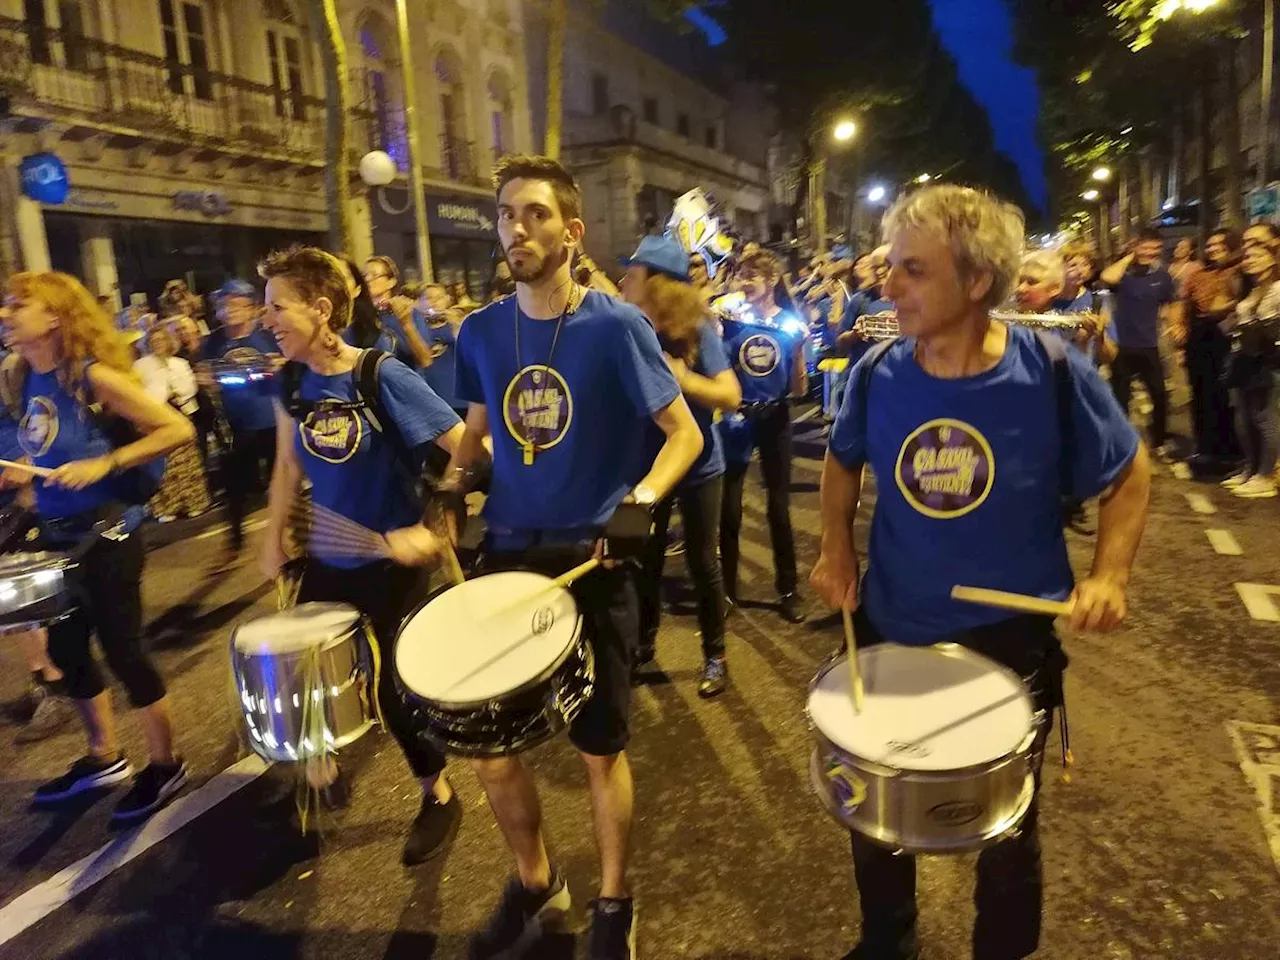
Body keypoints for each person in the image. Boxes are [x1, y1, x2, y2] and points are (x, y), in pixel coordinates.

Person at [810, 185, 1151, 960]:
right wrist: (836, 547)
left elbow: (1130, 476)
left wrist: (1110, 577)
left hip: (1008, 640)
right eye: (890, 267)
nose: (888, 286)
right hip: (893, 624)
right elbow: (840, 462)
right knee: (874, 811)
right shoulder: (878, 372)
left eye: (912, 272)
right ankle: (887, 942)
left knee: (1004, 828)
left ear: (975, 282)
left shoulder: (1053, 372)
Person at [441, 155, 703, 960]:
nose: (515, 229)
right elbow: (479, 437)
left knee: (598, 747)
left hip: (595, 556)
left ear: (572, 231)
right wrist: (451, 482)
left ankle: (615, 902)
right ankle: (535, 881)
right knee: (491, 747)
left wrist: (639, 505)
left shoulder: (615, 326)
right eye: (505, 215)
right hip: (510, 555)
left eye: (534, 215)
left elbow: (684, 436)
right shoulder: (481, 331)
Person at [257, 245, 468, 864]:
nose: (266, 318)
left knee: (400, 696)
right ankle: (322, 768)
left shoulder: (381, 375)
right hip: (326, 554)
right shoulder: (289, 381)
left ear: (321, 310)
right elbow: (287, 465)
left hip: (392, 561)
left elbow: (465, 448)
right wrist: (273, 535)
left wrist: (435, 525)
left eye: (278, 307)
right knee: (314, 676)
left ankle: (439, 793)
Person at [0, 271, 195, 822]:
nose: (6, 312)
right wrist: (22, 478)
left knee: (125, 651)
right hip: (54, 538)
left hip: (107, 534)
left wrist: (104, 463)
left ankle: (166, 762)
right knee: (65, 652)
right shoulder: (18, 379)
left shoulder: (92, 377)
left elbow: (175, 429)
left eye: (19, 303)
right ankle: (103, 756)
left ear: (56, 316)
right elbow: (31, 452)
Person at [620, 235, 741, 697]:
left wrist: (684, 378)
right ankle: (643, 645)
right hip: (646, 468)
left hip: (699, 465)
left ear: (657, 282)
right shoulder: (627, 328)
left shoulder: (696, 329)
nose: (623, 279)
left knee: (700, 563)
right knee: (644, 560)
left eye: (632, 272)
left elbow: (731, 396)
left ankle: (715, 656)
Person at [718, 248, 809, 624]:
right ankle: (725, 591)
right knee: (730, 510)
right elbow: (718, 368)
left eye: (751, 277)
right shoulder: (732, 320)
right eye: (740, 277)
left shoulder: (789, 325)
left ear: (771, 281)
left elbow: (799, 389)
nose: (744, 283)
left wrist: (801, 349)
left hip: (775, 418)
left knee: (778, 509)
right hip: (737, 419)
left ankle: (788, 589)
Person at [201, 280, 281, 569]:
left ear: (252, 309)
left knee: (280, 484)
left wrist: (280, 367)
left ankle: (286, 540)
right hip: (236, 425)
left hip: (273, 422)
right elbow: (205, 373)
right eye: (224, 304)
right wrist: (206, 380)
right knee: (234, 488)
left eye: (237, 304)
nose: (230, 309)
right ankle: (234, 544)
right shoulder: (213, 341)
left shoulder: (268, 335)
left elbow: (291, 362)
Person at [1099, 228, 1177, 458]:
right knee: (1120, 397)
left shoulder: (1162, 277)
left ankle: (1159, 440)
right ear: (1136, 246)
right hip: (1121, 344)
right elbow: (1106, 277)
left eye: (1155, 249)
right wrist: (1130, 257)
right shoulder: (1123, 273)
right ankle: (1120, 441)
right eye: (1146, 247)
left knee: (1160, 395)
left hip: (1150, 344)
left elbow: (1169, 305)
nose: (1150, 252)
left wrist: (1173, 330)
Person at [1221, 226, 1280, 498]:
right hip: (1244, 360)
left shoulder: (1277, 288)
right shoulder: (1253, 287)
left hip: (1267, 362)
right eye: (1248, 255)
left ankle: (1265, 476)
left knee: (1265, 418)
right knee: (1244, 418)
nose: (1251, 259)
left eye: (1258, 254)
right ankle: (1250, 468)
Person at [134, 325, 210, 521]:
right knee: (163, 465)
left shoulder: (179, 363)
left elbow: (190, 388)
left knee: (187, 462)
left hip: (180, 414)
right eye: (154, 341)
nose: (158, 344)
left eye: (161, 340)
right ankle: (167, 508)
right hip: (155, 419)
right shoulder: (141, 366)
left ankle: (193, 502)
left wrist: (176, 387)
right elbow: (137, 393)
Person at [1182, 230, 1243, 472]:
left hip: (1227, 336)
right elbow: (1186, 305)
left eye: (1219, 244)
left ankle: (1231, 451)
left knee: (1225, 395)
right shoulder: (1197, 274)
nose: (1213, 249)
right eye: (1209, 245)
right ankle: (1205, 447)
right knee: (1200, 393)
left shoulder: (1239, 271)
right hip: (1199, 336)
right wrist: (1179, 332)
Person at [362, 256, 433, 369]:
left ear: (391, 282)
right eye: (364, 276)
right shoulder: (362, 316)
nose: (367, 279)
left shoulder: (409, 312)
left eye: (374, 275)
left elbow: (425, 360)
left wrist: (407, 325)